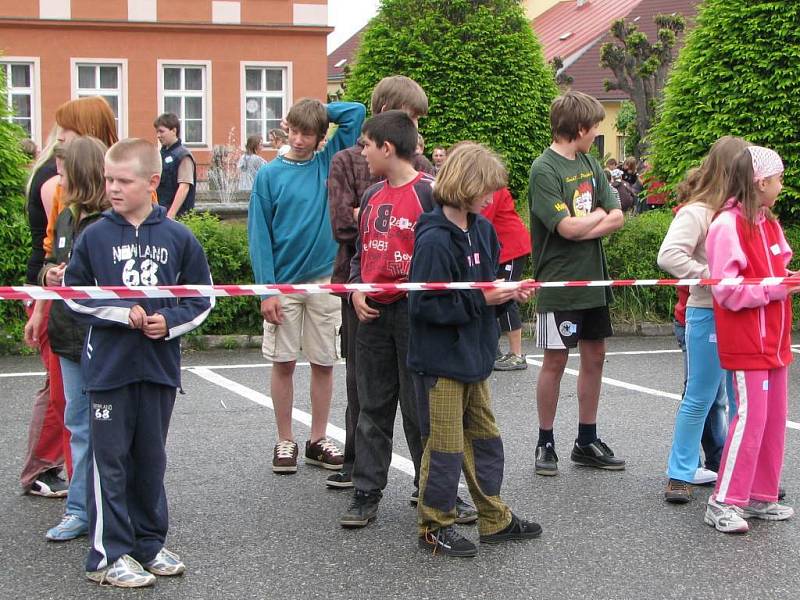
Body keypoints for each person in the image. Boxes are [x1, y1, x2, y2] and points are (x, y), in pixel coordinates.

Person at [64, 138, 213, 586]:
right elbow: (74, 297)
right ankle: (108, 556)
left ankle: (149, 545)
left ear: (152, 183)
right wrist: (119, 312)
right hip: (109, 370)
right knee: (109, 460)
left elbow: (202, 298)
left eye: (123, 181)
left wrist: (168, 322)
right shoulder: (94, 235)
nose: (112, 188)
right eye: (109, 179)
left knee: (150, 459)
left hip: (159, 369)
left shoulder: (178, 236)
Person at [337, 111, 476, 528]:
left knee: (422, 409)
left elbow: (452, 250)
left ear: (387, 148)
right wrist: (358, 289)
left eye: (366, 145)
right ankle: (365, 492)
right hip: (373, 315)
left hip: (413, 315)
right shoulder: (374, 197)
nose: (361, 153)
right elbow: (361, 255)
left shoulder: (431, 194)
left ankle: (435, 488)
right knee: (372, 405)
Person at [408, 142, 541, 557]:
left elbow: (483, 289)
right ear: (465, 185)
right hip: (441, 359)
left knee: (485, 440)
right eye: (487, 190)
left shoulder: (483, 230)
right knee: (445, 447)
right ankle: (435, 526)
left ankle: (493, 518)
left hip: (475, 354)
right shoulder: (433, 239)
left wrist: (506, 294)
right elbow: (424, 304)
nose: (492, 198)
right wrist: (485, 299)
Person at [326, 74, 434, 490]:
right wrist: (357, 285)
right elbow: (344, 224)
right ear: (387, 110)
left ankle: (428, 483)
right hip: (359, 283)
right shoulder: (347, 161)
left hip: (408, 296)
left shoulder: (421, 170)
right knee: (363, 385)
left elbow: (432, 230)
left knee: (416, 394)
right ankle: (359, 471)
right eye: (410, 117)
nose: (416, 129)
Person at [248, 98, 365, 475]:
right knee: (282, 362)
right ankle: (285, 439)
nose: (298, 139)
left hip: (324, 281)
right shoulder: (268, 175)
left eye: (307, 133)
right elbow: (259, 236)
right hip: (283, 283)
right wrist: (267, 291)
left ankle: (317, 439)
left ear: (319, 137)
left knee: (324, 362)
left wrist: (319, 111)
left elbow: (357, 113)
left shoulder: (327, 162)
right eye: (294, 131)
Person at [22, 96, 120, 498]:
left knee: (82, 407)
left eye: (67, 135)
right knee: (67, 404)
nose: (58, 142)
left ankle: (95, 495)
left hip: (96, 322)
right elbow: (52, 251)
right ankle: (64, 487)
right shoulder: (58, 192)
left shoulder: (109, 203)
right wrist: (45, 295)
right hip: (64, 314)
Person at [529, 90, 625, 477]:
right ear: (580, 127)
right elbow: (564, 227)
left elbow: (617, 215)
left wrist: (591, 221)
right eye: (594, 129)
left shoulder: (589, 163)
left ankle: (586, 439)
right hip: (559, 282)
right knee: (555, 359)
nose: (596, 136)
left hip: (594, 280)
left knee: (595, 356)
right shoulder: (544, 168)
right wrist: (595, 219)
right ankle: (545, 441)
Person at [703, 146, 795, 534]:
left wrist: (786, 279)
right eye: (777, 178)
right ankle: (722, 500)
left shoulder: (769, 224)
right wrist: (777, 289)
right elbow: (727, 291)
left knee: (773, 420)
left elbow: (780, 268)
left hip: (775, 339)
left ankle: (760, 495)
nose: (782, 184)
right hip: (748, 340)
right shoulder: (727, 226)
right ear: (761, 183)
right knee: (750, 419)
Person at [657, 136, 749, 503]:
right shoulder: (698, 212)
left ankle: (736, 472)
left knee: (731, 399)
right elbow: (669, 255)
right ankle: (679, 474)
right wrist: (710, 275)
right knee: (701, 396)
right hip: (707, 313)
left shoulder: (740, 212)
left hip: (739, 313)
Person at [28, 137, 110, 541]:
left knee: (109, 426)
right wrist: (49, 279)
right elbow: (47, 264)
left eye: (62, 168)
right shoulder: (66, 215)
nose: (56, 174)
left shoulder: (110, 221)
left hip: (103, 337)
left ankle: (111, 509)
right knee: (77, 424)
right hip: (66, 333)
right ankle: (78, 510)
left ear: (81, 172)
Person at [481, 186, 532, 371]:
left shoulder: (491, 189)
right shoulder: (487, 185)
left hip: (511, 248)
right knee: (495, 297)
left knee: (507, 296)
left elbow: (481, 219)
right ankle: (493, 350)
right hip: (499, 249)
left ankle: (517, 355)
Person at [154, 112, 196, 218]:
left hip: (178, 217)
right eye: (157, 132)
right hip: (161, 213)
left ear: (174, 131)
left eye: (161, 131)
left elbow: (184, 187)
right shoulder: (160, 154)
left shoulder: (183, 156)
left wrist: (171, 214)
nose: (158, 135)